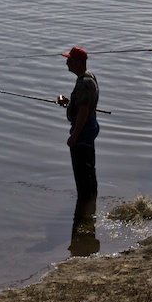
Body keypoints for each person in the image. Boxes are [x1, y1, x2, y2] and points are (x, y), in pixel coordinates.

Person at [56, 46, 99, 197]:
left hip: (83, 131)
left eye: (69, 60)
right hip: (89, 128)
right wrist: (69, 103)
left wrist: (74, 136)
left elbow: (83, 112)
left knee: (82, 173)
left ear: (78, 63)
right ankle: (89, 204)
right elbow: (83, 106)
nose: (67, 63)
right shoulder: (89, 77)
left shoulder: (84, 83)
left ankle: (85, 201)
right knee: (89, 169)